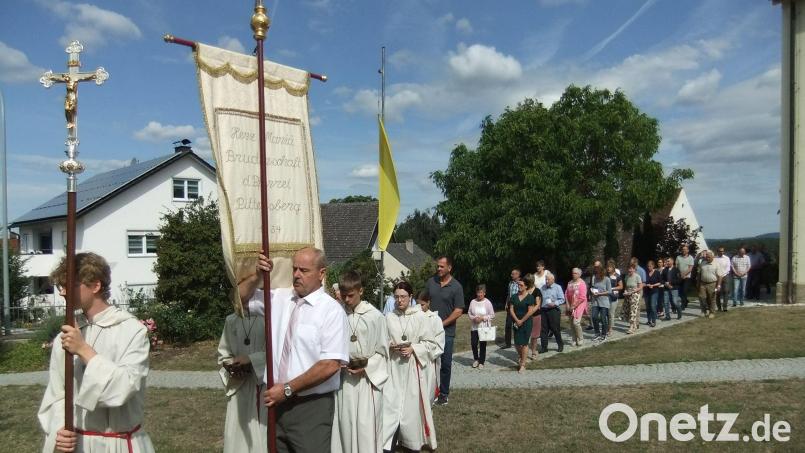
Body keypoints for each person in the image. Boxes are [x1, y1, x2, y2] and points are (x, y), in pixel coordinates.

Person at [38, 252, 155, 453]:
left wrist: (84, 350)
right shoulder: (64, 338)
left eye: (70, 285)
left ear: (95, 286)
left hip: (118, 443)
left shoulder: (132, 331)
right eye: (60, 286)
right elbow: (57, 395)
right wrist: (59, 429)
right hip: (78, 444)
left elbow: (124, 387)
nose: (63, 292)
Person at [240, 248, 349, 453]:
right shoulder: (280, 299)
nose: (297, 274)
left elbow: (330, 365)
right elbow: (240, 299)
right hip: (276, 403)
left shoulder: (331, 311)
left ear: (321, 273)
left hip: (310, 407)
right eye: (295, 269)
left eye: (304, 270)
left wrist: (288, 389)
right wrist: (256, 275)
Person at [331, 271, 389, 453]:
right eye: (344, 295)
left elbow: (383, 352)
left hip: (367, 380)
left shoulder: (375, 316)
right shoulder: (337, 315)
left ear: (361, 291)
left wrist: (367, 367)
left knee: (366, 426)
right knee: (345, 423)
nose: (347, 300)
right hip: (345, 380)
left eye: (351, 295)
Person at [382, 282, 442, 452]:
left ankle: (411, 442)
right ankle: (388, 442)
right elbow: (380, 342)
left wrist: (413, 348)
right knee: (390, 406)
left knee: (410, 409)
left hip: (412, 370)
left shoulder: (420, 317)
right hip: (393, 368)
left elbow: (430, 344)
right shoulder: (388, 317)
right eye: (396, 297)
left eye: (403, 296)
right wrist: (389, 346)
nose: (399, 300)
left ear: (410, 297)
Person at [217, 309, 267, 453]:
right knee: (237, 435)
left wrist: (252, 360)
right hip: (239, 386)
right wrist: (229, 366)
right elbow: (224, 353)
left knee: (260, 433)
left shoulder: (268, 318)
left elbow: (275, 352)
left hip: (261, 384)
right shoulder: (231, 320)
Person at [425, 256, 465, 406]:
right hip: (429, 331)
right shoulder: (431, 282)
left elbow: (459, 310)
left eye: (442, 267)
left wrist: (441, 323)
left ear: (449, 268)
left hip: (446, 332)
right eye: (438, 266)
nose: (438, 269)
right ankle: (430, 391)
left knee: (445, 364)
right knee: (430, 361)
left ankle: (444, 393)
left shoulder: (456, 287)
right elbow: (423, 300)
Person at [416, 291, 446, 402]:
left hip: (429, 360)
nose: (420, 308)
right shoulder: (414, 317)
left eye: (422, 305)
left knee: (428, 391)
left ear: (428, 303)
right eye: (417, 305)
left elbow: (439, 343)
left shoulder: (435, 319)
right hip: (415, 359)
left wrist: (427, 353)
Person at [509, 279, 538, 373]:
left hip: (526, 322)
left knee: (524, 343)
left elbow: (530, 311)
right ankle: (522, 356)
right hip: (516, 322)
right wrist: (517, 320)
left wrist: (522, 320)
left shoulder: (530, 298)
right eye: (518, 285)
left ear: (526, 286)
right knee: (517, 343)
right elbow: (511, 309)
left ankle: (523, 365)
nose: (519, 286)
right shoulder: (514, 297)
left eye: (521, 285)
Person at [467, 284, 494, 368]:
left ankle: (481, 362)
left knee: (482, 345)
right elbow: (469, 313)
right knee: (474, 343)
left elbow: (492, 315)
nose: (479, 294)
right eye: (478, 292)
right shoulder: (473, 302)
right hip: (474, 327)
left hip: (484, 327)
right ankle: (476, 359)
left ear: (484, 293)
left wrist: (483, 318)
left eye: (481, 292)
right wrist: (474, 318)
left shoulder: (487, 302)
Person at [564, 268, 588, 347]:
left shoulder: (582, 283)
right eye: (573, 273)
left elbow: (582, 297)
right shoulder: (570, 282)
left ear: (579, 274)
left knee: (576, 322)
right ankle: (574, 339)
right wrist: (567, 304)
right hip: (570, 304)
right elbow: (566, 294)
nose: (573, 274)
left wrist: (573, 306)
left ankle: (580, 339)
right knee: (571, 323)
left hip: (579, 304)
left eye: (575, 273)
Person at [530, 265, 550, 359]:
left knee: (536, 333)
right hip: (530, 312)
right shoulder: (534, 275)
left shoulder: (547, 273)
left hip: (543, 299)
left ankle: (535, 351)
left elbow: (537, 303)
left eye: (539, 266)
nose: (537, 268)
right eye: (536, 266)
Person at [522, 274, 543, 360]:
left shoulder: (537, 291)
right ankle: (523, 353)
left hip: (535, 315)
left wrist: (530, 312)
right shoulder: (524, 290)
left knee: (534, 336)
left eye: (526, 282)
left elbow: (538, 304)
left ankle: (533, 352)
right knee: (525, 335)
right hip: (524, 316)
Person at [590, 264, 612, 341]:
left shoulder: (607, 279)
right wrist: (592, 291)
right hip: (595, 301)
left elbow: (609, 291)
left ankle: (604, 334)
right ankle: (597, 333)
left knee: (603, 318)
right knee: (594, 317)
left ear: (601, 273)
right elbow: (593, 287)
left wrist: (600, 293)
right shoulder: (595, 279)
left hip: (604, 302)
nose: (596, 276)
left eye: (597, 274)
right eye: (595, 274)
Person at [697, 251, 722, 319]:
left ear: (712, 257)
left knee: (712, 299)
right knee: (702, 297)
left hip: (712, 284)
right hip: (703, 283)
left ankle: (712, 312)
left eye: (709, 257)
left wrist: (718, 286)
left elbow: (720, 276)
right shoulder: (702, 263)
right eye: (706, 257)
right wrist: (698, 284)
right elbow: (699, 274)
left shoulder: (716, 264)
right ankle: (704, 311)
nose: (707, 258)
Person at [622, 263, 644, 334]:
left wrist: (633, 291)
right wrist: (625, 291)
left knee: (633, 311)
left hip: (635, 295)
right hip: (628, 296)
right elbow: (626, 287)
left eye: (631, 268)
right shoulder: (626, 277)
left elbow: (640, 287)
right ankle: (634, 325)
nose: (630, 270)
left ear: (634, 269)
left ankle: (631, 328)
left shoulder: (637, 276)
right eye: (629, 268)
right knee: (628, 311)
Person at [502, 268, 521, 349]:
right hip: (510, 306)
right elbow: (508, 294)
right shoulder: (510, 283)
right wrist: (506, 303)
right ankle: (508, 343)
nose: (511, 275)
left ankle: (519, 342)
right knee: (508, 325)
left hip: (518, 306)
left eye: (513, 274)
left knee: (517, 325)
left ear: (518, 275)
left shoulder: (521, 283)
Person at [605, 260, 623, 336]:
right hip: (605, 297)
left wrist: (612, 289)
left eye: (610, 267)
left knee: (611, 314)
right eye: (607, 267)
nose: (608, 269)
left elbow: (621, 286)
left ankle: (610, 329)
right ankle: (606, 327)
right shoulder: (606, 276)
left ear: (613, 268)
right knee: (606, 313)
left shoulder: (617, 276)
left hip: (613, 297)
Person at [644, 260, 662, 327]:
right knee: (648, 307)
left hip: (654, 291)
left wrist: (653, 285)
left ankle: (654, 321)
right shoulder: (646, 272)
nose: (649, 267)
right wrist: (646, 284)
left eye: (650, 266)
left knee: (653, 306)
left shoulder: (657, 272)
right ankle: (649, 320)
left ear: (653, 266)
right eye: (648, 266)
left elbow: (660, 282)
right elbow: (644, 281)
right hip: (647, 291)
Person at [714, 247, 732, 312]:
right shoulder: (714, 258)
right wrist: (718, 275)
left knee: (726, 291)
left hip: (725, 276)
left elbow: (728, 268)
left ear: (724, 251)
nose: (721, 252)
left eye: (722, 251)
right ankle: (719, 307)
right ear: (717, 251)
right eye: (720, 251)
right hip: (717, 277)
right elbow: (714, 267)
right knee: (717, 292)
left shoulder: (727, 258)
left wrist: (722, 274)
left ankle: (725, 307)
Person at [676, 245, 695, 310]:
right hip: (679, 276)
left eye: (685, 249)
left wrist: (684, 274)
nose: (684, 250)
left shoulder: (691, 258)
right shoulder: (678, 257)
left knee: (684, 290)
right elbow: (676, 266)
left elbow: (690, 268)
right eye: (683, 249)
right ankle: (686, 300)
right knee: (680, 291)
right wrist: (679, 274)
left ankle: (683, 305)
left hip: (687, 277)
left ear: (688, 250)